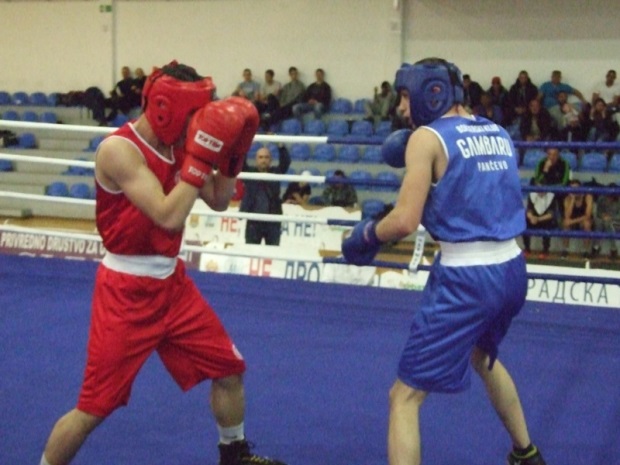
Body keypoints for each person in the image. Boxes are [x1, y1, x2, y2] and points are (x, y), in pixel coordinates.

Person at [38, 61, 286, 465]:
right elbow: (168, 215)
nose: (196, 123)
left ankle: (234, 455)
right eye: (193, 114)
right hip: (126, 293)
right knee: (94, 408)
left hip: (173, 286)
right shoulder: (119, 151)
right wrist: (200, 157)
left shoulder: (182, 143)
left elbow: (219, 199)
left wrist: (232, 155)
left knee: (229, 369)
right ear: (166, 108)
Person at [341, 58, 546, 465]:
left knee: (403, 397)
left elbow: (404, 220)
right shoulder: (497, 131)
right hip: (512, 268)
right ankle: (527, 454)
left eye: (405, 96)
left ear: (430, 92)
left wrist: (367, 234)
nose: (401, 108)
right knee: (483, 357)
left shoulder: (427, 138)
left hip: (468, 278)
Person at [239, 144, 291, 245]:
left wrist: (281, 147)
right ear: (256, 159)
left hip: (273, 220)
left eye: (266, 157)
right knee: (250, 251)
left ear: (271, 160)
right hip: (253, 220)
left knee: (272, 251)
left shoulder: (276, 172)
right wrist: (244, 144)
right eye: (261, 157)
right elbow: (240, 162)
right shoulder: (249, 173)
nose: (263, 160)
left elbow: (286, 162)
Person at [523, 178, 559, 259]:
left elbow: (551, 214)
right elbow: (529, 210)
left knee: (548, 225)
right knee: (525, 223)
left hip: (545, 220)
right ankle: (527, 249)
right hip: (534, 220)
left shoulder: (551, 196)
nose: (539, 190)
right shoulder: (532, 195)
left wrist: (538, 219)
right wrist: (531, 218)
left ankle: (545, 251)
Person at [561, 179, 594, 259]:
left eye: (576, 188)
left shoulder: (588, 197)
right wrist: (572, 200)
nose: (574, 191)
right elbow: (567, 216)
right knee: (565, 223)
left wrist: (572, 221)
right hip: (573, 221)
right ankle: (565, 250)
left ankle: (585, 251)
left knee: (586, 223)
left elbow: (588, 215)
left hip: (583, 221)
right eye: (572, 189)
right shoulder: (567, 199)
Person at [592, 182, 620, 259]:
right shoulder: (602, 198)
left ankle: (613, 249)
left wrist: (611, 217)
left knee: (607, 223)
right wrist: (603, 215)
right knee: (599, 223)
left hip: (617, 222)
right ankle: (596, 247)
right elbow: (598, 212)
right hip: (603, 220)